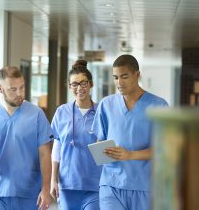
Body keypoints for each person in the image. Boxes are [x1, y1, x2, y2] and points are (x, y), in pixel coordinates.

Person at [91, 54, 168, 210]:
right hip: (111, 184)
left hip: (144, 186)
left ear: (137, 74)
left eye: (124, 76)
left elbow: (164, 149)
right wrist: (104, 151)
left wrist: (130, 155)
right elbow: (100, 140)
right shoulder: (106, 105)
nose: (119, 83)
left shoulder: (159, 106)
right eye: (116, 77)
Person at [0, 66, 53, 210]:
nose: (19, 93)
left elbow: (45, 154)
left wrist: (46, 189)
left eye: (22, 87)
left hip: (28, 193)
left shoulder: (37, 115)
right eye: (13, 89)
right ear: (0, 89)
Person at [50, 60, 102, 210]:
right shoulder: (61, 112)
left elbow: (107, 148)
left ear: (91, 84)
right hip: (68, 184)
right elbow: (56, 149)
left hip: (95, 184)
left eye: (83, 83)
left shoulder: (101, 112)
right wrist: (54, 180)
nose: (79, 88)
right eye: (75, 84)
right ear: (69, 86)